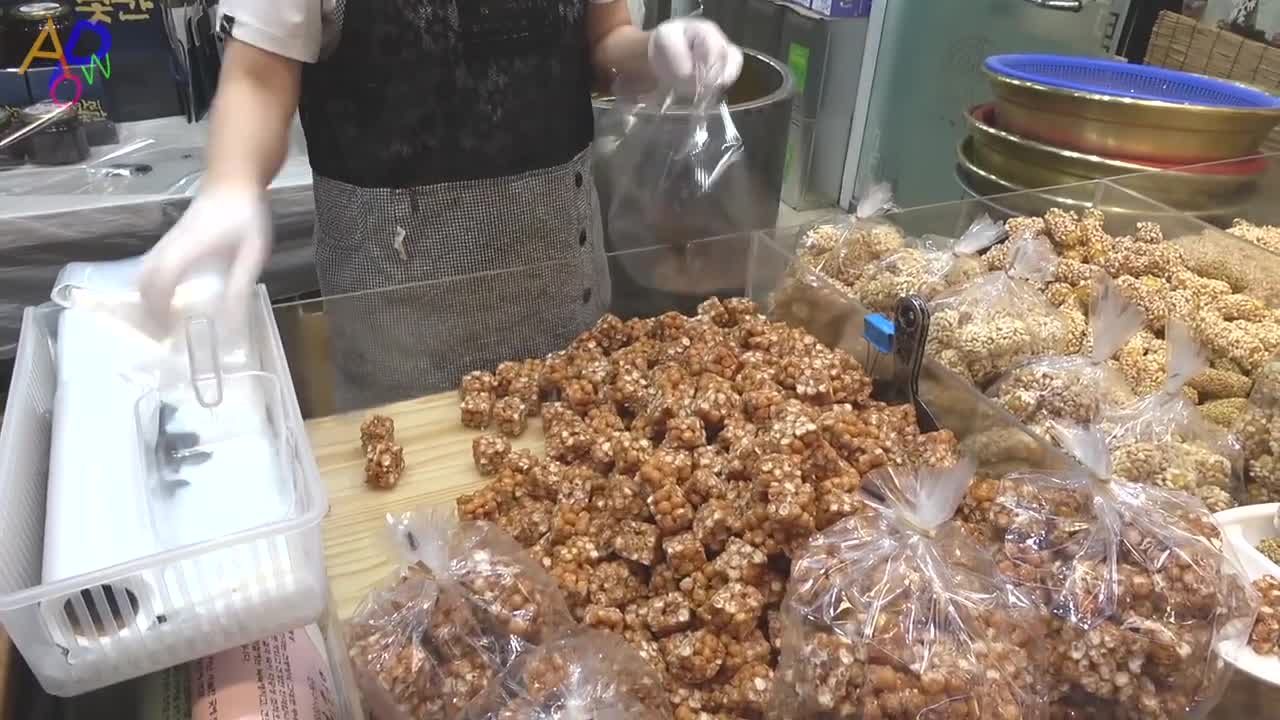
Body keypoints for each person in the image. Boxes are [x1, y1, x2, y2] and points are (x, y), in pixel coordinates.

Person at [137, 0, 742, 410]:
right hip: (404, 335)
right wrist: (232, 183)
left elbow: (604, 37)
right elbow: (259, 77)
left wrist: (653, 53)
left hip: (565, 299)